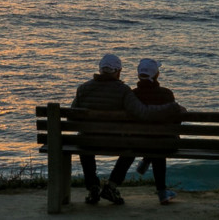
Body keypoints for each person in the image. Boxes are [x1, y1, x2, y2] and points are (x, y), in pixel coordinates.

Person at [71, 53, 183, 206]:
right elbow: (143, 112)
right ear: (118, 71)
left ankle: (93, 188)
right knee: (132, 145)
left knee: (85, 142)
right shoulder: (123, 91)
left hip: (86, 141)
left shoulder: (83, 89)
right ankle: (111, 186)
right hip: (116, 142)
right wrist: (172, 108)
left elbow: (72, 117)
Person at [132, 58, 179, 204]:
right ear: (157, 75)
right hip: (164, 143)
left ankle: (147, 158)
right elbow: (177, 123)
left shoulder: (132, 96)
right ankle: (162, 192)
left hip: (137, 142)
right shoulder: (166, 94)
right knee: (159, 142)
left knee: (154, 141)